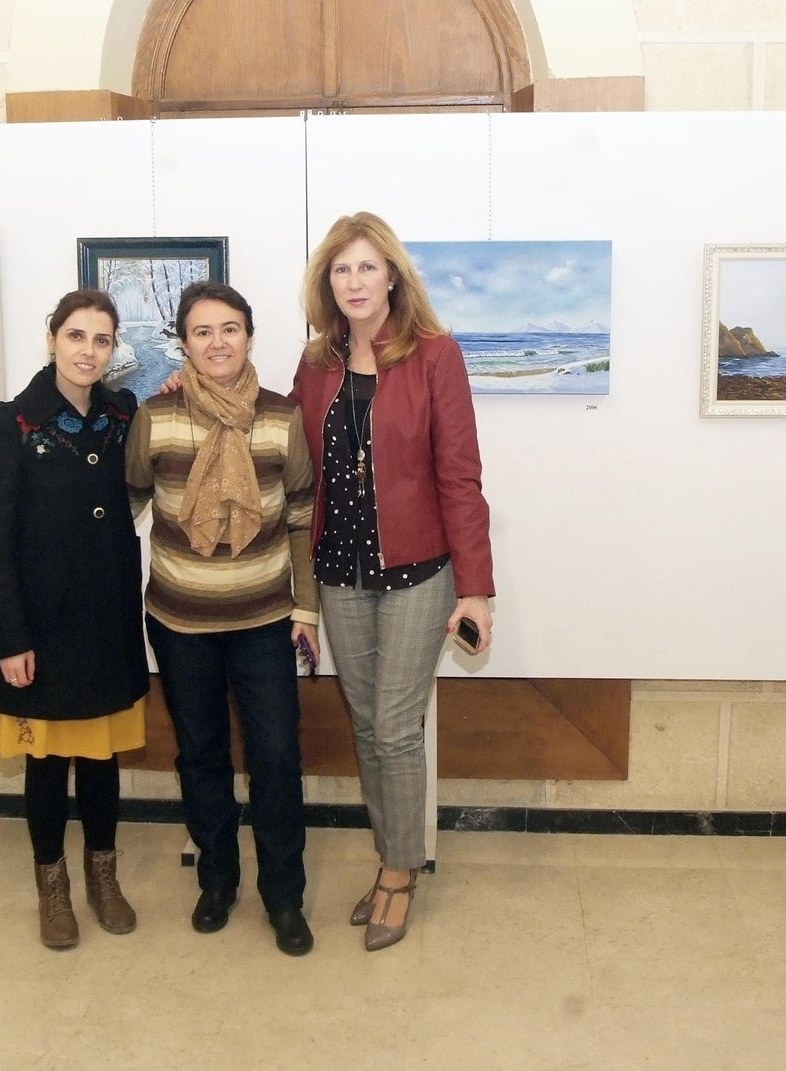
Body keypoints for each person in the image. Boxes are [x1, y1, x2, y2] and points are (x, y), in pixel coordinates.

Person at [291, 211, 495, 951]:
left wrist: (475, 588)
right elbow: (291, 455)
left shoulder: (436, 355)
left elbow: (460, 476)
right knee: (368, 724)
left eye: (367, 267)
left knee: (396, 727)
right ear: (328, 282)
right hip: (341, 574)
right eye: (342, 269)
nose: (354, 281)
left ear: (392, 276)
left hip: (418, 574)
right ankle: (391, 857)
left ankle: (400, 871)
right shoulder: (316, 365)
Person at [126, 280, 319, 956]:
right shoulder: (155, 416)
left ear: (249, 336)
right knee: (201, 755)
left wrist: (308, 608)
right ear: (184, 342)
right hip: (180, 622)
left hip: (266, 618)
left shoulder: (281, 417)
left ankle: (284, 895)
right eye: (203, 331)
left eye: (230, 328)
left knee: (275, 758)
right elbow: (126, 505)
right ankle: (218, 878)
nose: (217, 342)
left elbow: (301, 514)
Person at [0, 289, 149, 949]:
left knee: (100, 759)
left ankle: (104, 876)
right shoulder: (12, 420)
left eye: (102, 340)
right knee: (45, 764)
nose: (88, 351)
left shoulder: (122, 415)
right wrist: (10, 637)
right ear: (52, 339)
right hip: (39, 628)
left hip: (105, 620)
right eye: (77, 336)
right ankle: (53, 888)